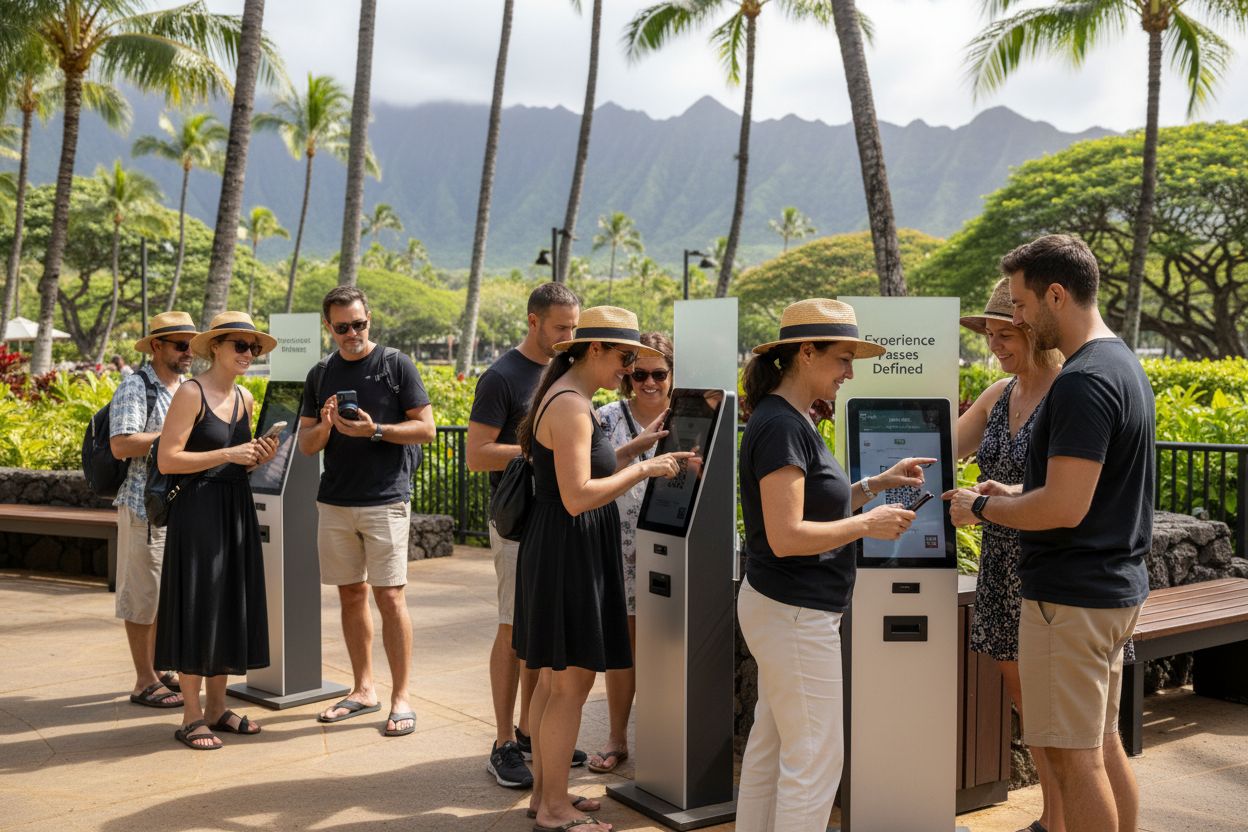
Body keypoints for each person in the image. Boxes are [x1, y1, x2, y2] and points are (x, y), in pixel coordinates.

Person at [946, 234, 1153, 832]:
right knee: (1100, 745)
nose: (1013, 317)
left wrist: (984, 511)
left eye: (1018, 305)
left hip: (1071, 595)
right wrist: (1011, 493)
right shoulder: (1121, 363)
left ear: (1055, 295)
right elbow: (1085, 490)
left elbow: (1063, 507)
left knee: (1074, 761)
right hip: (1109, 588)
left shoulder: (1082, 381)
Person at [736, 298, 931, 832]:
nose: (849, 372)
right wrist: (868, 525)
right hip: (796, 612)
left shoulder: (787, 419)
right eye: (843, 358)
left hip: (784, 608)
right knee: (815, 759)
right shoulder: (782, 426)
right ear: (805, 351)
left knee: (774, 745)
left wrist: (874, 486)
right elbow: (787, 535)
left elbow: (813, 506)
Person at [514, 306, 693, 832]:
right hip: (568, 547)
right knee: (570, 685)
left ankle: (547, 796)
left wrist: (640, 445)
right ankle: (553, 809)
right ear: (595, 350)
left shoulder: (568, 397)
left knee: (553, 682)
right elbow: (576, 497)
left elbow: (588, 467)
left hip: (560, 548)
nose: (630, 371)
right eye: (624, 359)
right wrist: (646, 467)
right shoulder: (571, 405)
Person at [298, 286, 436, 737]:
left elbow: (427, 430)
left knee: (390, 597)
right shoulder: (320, 373)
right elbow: (306, 444)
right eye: (343, 327)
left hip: (385, 498)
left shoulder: (396, 365)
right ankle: (363, 689)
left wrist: (374, 431)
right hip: (336, 499)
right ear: (329, 328)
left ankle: (401, 697)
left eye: (359, 324)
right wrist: (326, 424)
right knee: (350, 594)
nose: (353, 333)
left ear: (368, 319)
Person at [957, 279, 1066, 832]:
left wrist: (995, 499)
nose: (995, 345)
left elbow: (1074, 495)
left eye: (1006, 334)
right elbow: (939, 448)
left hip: (1048, 568)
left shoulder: (1069, 393)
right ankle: (1053, 814)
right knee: (1030, 708)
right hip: (1001, 565)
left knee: (1067, 720)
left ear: (1034, 332)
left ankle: (1066, 818)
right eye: (990, 334)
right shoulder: (998, 394)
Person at [465, 282, 582, 788]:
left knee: (536, 633)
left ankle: (533, 732)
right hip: (517, 523)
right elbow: (475, 453)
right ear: (533, 321)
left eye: (574, 328)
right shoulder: (501, 377)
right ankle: (502, 743)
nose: (568, 337)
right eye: (561, 327)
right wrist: (540, 449)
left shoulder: (563, 372)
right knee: (512, 631)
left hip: (553, 522)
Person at [154, 312, 279, 750]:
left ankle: (216, 707)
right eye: (241, 346)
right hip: (199, 509)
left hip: (235, 506)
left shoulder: (245, 397)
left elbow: (236, 459)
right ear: (216, 348)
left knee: (229, 602)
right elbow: (167, 460)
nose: (249, 354)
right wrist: (229, 451)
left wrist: (256, 456)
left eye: (254, 348)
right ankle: (190, 717)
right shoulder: (191, 393)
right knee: (198, 603)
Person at [588, 331, 673, 775]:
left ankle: (665, 742)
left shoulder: (690, 419)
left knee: (667, 648)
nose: (649, 382)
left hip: (675, 549)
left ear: (673, 374)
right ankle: (617, 737)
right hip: (618, 548)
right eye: (639, 373)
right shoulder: (605, 418)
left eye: (659, 373)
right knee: (624, 647)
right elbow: (590, 471)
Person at [110, 311, 198, 711]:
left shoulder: (185, 388)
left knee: (163, 593)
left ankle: (159, 668)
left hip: (176, 506)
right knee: (143, 594)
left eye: (192, 345)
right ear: (157, 347)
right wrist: (171, 438)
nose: (188, 352)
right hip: (144, 505)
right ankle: (144, 680)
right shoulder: (136, 386)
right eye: (181, 345)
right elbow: (122, 444)